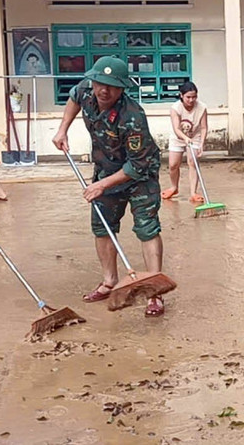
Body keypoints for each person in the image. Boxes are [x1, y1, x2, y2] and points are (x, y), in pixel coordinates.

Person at [51, 56, 166, 317]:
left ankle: (154, 292)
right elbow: (73, 99)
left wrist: (102, 184)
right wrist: (62, 130)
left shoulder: (133, 116)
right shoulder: (86, 90)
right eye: (100, 83)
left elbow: (137, 165)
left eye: (112, 86)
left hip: (140, 176)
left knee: (147, 229)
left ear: (123, 88)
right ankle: (109, 281)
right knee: (102, 226)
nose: (104, 90)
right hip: (106, 167)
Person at [161, 82, 208, 203]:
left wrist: (201, 144)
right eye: (188, 97)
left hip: (195, 136)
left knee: (193, 162)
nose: (191, 100)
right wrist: (185, 138)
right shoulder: (175, 108)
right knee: (173, 165)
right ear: (181, 95)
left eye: (194, 97)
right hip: (178, 137)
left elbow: (203, 128)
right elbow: (177, 129)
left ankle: (193, 192)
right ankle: (174, 187)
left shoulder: (202, 108)